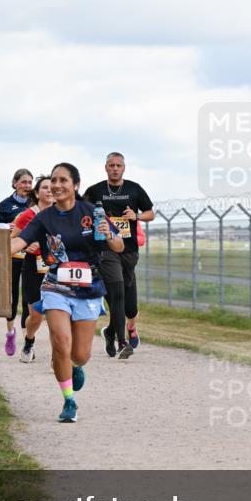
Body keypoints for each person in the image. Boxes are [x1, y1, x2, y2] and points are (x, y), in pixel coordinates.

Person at [10, 162, 123, 422]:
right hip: (55, 284)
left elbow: (117, 246)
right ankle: (69, 400)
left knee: (80, 354)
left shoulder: (91, 212)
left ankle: (74, 365)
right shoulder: (44, 217)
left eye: (63, 181)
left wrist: (108, 235)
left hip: (89, 286)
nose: (56, 186)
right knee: (60, 342)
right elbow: (20, 241)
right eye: (53, 181)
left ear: (75, 185)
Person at [84, 152, 154, 359]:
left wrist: (137, 215)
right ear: (105, 167)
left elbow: (151, 213)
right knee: (118, 293)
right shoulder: (95, 190)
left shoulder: (134, 188)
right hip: (105, 248)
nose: (115, 168)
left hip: (129, 250)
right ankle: (122, 341)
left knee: (130, 306)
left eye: (119, 165)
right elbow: (81, 212)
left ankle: (110, 331)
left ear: (124, 168)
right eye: (111, 165)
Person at [11, 175, 52, 362]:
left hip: (56, 268)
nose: (50, 190)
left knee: (58, 313)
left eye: (52, 187)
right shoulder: (28, 215)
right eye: (45, 187)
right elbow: (12, 239)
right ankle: (29, 340)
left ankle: (58, 353)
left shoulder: (62, 213)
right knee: (36, 316)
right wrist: (27, 246)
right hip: (33, 268)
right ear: (36, 193)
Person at [0, 168, 34, 357]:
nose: (27, 186)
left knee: (29, 299)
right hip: (12, 256)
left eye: (30, 182)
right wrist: (6, 227)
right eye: (24, 182)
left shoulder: (36, 203)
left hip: (32, 256)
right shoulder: (5, 205)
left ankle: (28, 341)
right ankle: (10, 333)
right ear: (15, 183)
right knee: (11, 297)